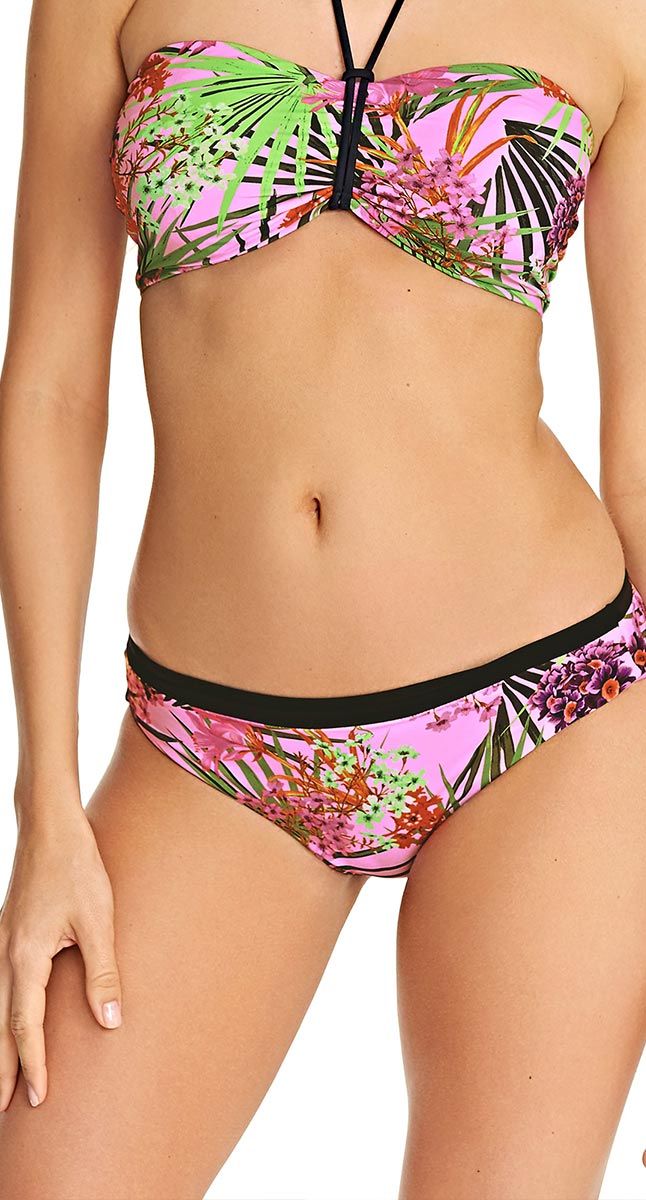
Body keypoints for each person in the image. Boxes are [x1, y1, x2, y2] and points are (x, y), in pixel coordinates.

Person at [0, 0, 644, 1196]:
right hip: (211, 744)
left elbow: (644, 441)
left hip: (549, 708)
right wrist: (45, 807)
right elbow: (48, 390)